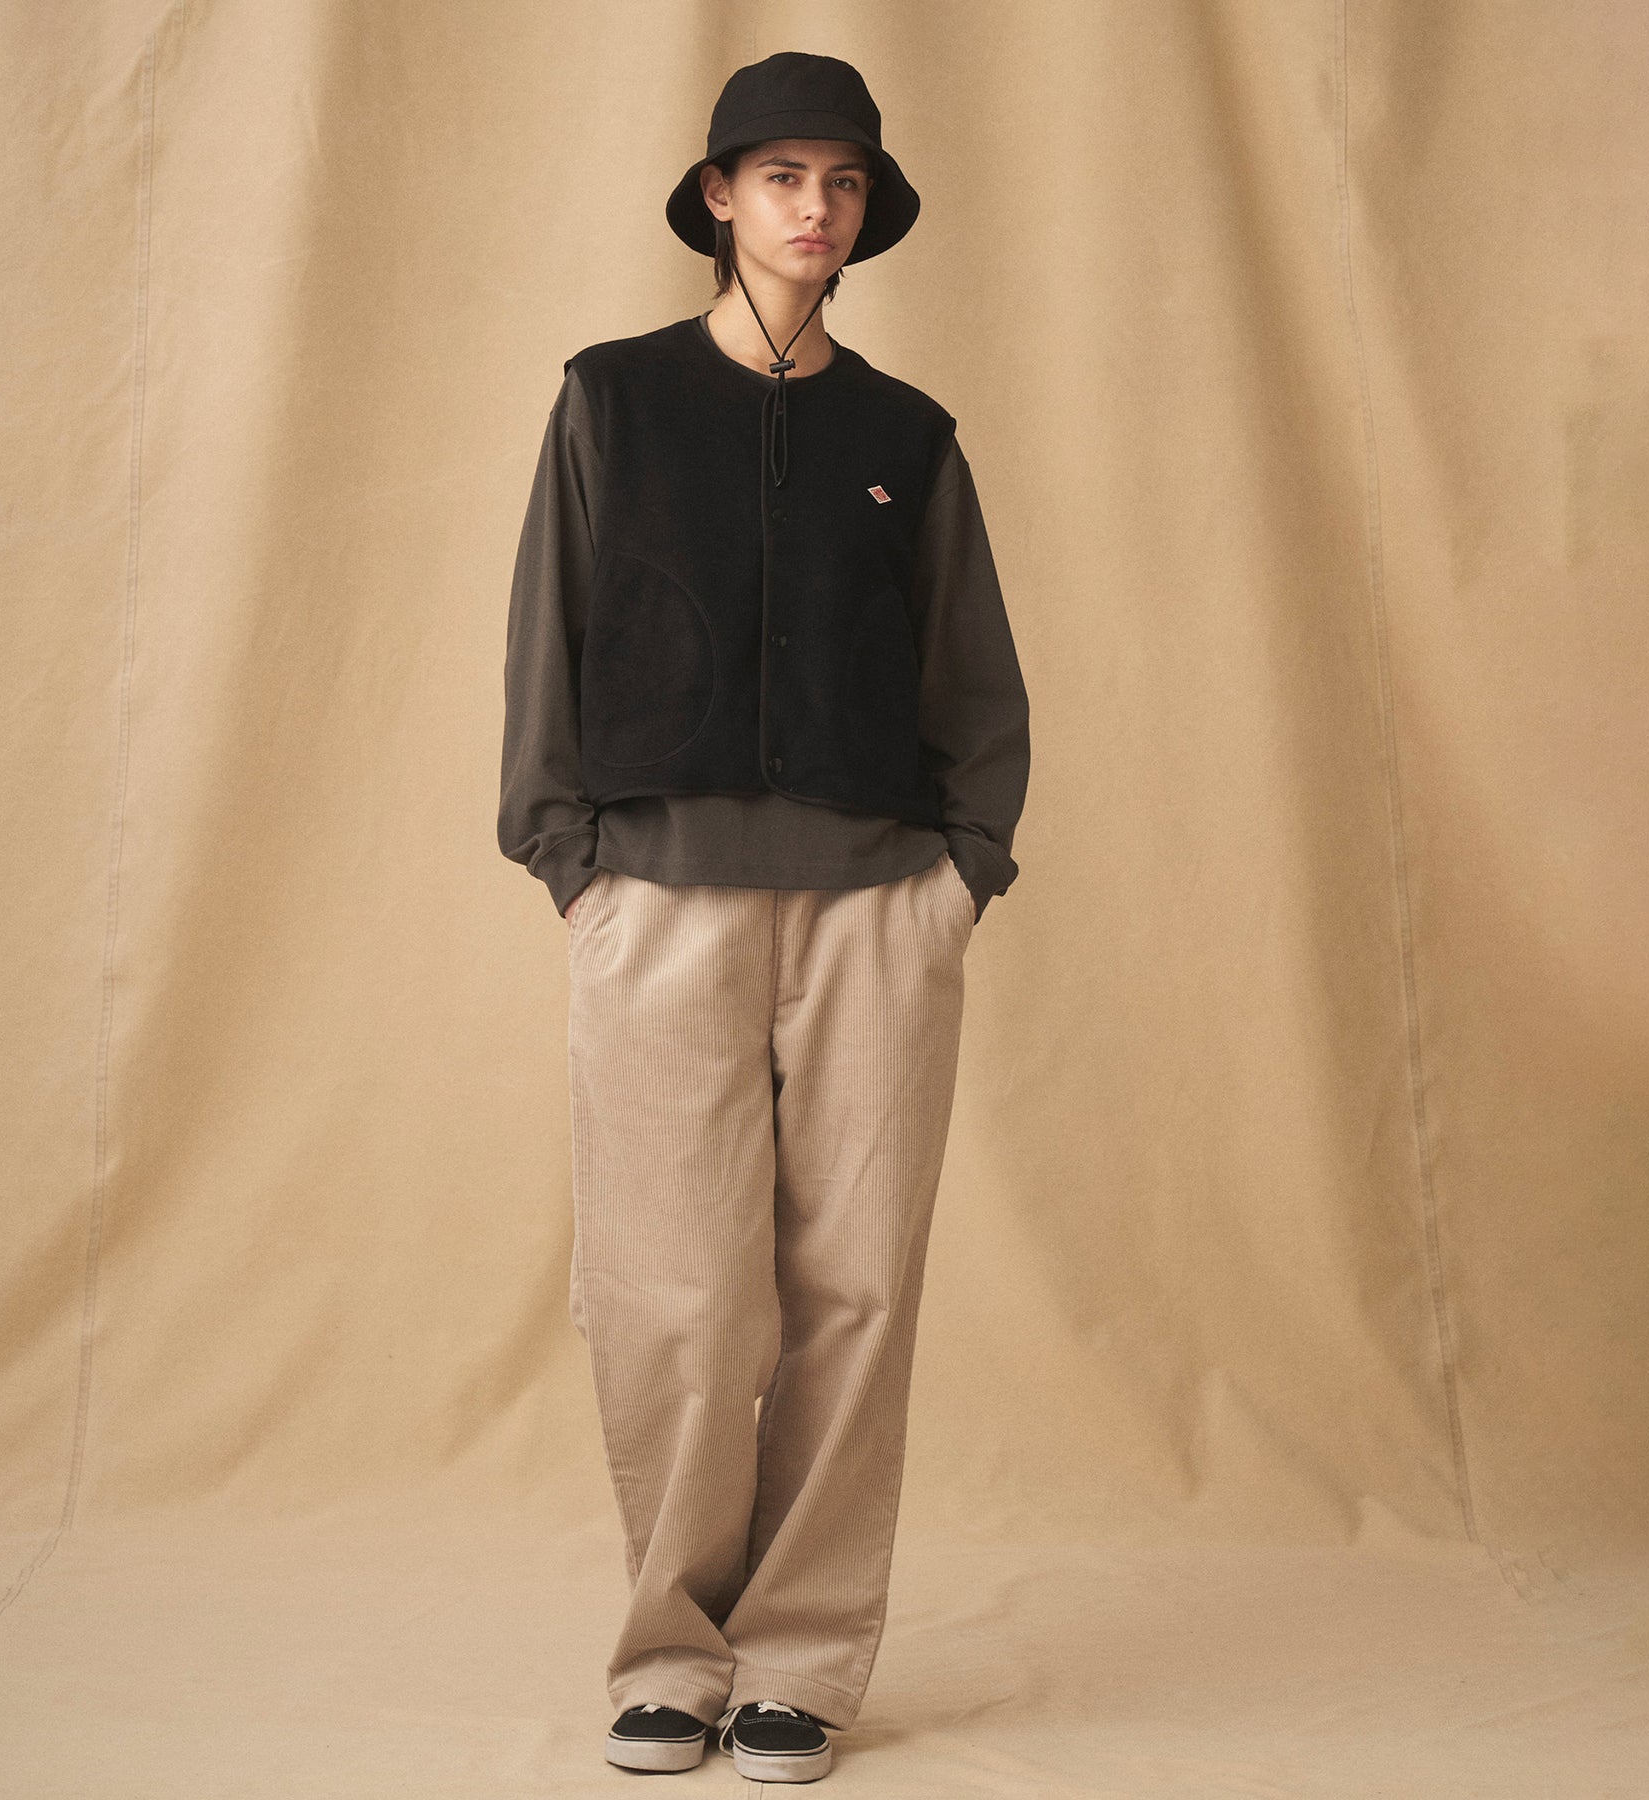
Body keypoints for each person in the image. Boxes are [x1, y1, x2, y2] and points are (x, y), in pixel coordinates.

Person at [497, 50, 1030, 1784]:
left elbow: (971, 670)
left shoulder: (907, 436)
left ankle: (802, 1659)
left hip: (879, 913)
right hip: (657, 904)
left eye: (843, 180)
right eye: (784, 174)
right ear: (719, 197)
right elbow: (548, 633)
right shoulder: (614, 402)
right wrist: (572, 863)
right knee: (674, 1293)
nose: (816, 205)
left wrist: (960, 873)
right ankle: (671, 1654)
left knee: (855, 1289)